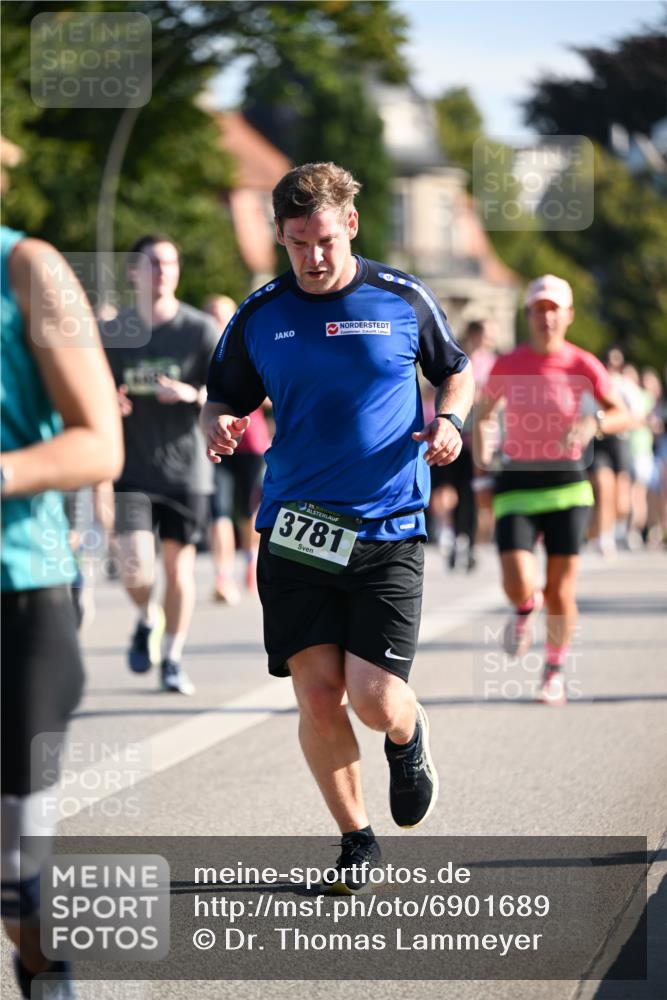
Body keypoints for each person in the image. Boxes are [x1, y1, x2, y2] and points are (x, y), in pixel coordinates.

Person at [201, 162, 474, 890]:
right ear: (280, 239)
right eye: (296, 244)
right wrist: (219, 424)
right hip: (295, 528)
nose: (312, 258)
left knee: (373, 697)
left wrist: (449, 418)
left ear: (348, 224)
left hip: (387, 525)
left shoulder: (399, 297)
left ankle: (407, 735)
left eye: (322, 240)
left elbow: (456, 368)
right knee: (317, 693)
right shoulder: (260, 313)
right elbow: (220, 394)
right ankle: (356, 841)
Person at [1, 227, 123, 996]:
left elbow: (99, 444)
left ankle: (48, 976)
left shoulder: (31, 271)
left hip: (18, 598)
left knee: (14, 872)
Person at [474, 275, 629, 707]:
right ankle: (525, 607)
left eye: (554, 308)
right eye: (539, 309)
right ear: (528, 315)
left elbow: (624, 414)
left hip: (567, 486)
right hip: (517, 483)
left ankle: (554, 669)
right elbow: (483, 418)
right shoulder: (507, 364)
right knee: (517, 579)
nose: (547, 316)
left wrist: (593, 422)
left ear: (568, 315)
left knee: (562, 590)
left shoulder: (583, 364)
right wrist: (481, 476)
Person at [102, 235, 219, 695]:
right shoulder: (115, 333)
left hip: (187, 470)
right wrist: (108, 399)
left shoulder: (200, 329)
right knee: (135, 567)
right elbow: (92, 387)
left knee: (179, 570)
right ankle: (147, 617)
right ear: (134, 272)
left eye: (170, 263)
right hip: (131, 468)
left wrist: (191, 394)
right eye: (153, 264)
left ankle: (171, 657)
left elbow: (231, 392)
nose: (164, 272)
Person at [203, 295, 271, 602]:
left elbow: (273, 393)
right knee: (219, 509)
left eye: (224, 314)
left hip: (252, 442)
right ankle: (222, 576)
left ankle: (251, 560)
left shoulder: (249, 345)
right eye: (214, 314)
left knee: (248, 511)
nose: (219, 320)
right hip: (216, 443)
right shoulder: (202, 349)